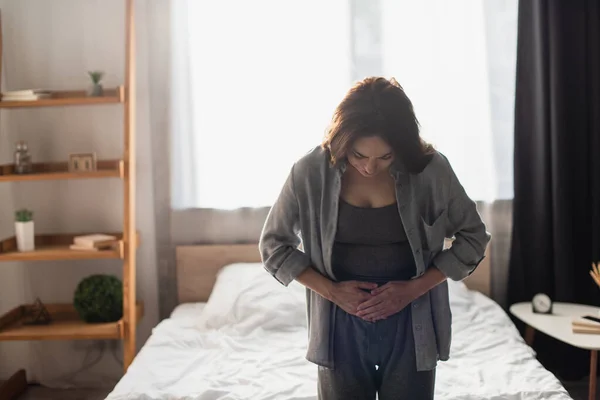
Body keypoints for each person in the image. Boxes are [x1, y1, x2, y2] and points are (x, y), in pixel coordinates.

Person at [259, 77, 490, 400]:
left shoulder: (431, 170)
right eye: (358, 155)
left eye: (385, 157)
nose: (370, 168)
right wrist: (333, 293)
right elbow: (273, 246)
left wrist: (413, 289)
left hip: (413, 319)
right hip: (339, 325)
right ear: (342, 141)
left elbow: (474, 237)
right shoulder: (310, 171)